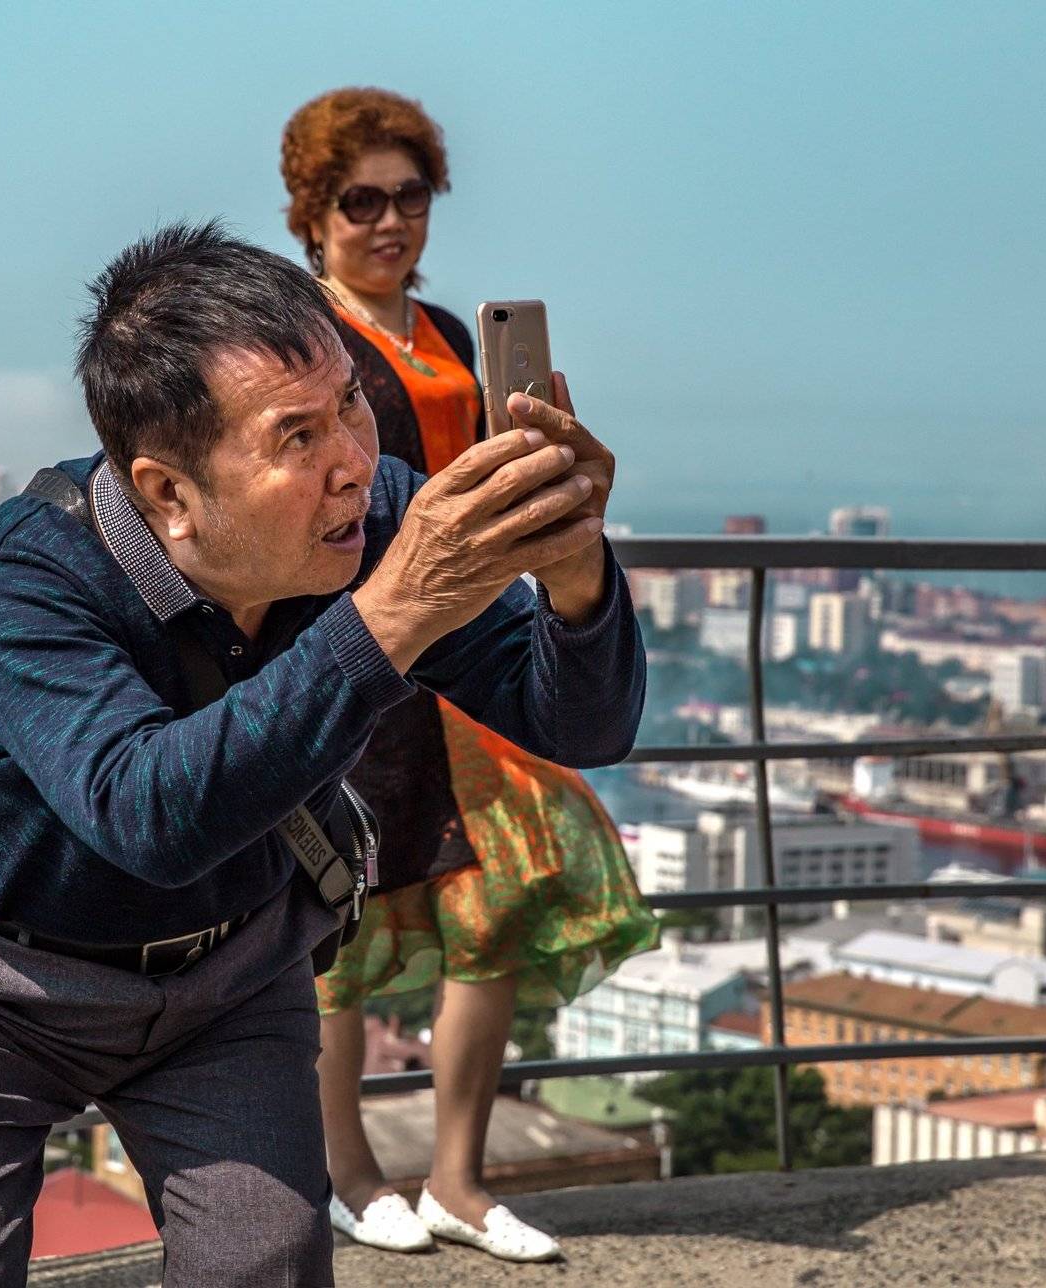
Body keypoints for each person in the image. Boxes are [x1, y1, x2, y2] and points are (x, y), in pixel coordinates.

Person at [0, 220, 645, 1287]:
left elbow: (582, 727)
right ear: (168, 491)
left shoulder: (372, 522)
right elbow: (148, 816)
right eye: (297, 437)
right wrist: (396, 612)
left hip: (224, 973)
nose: (354, 462)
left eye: (351, 402)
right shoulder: (34, 574)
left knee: (266, 1262)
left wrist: (577, 576)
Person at [281, 87, 658, 1263]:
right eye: (362, 200)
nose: (391, 221)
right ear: (313, 213)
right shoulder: (301, 335)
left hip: (473, 649)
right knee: (339, 923)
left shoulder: (449, 330)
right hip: (365, 640)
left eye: (411, 197)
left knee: (496, 896)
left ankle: (457, 1176)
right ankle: (349, 1172)